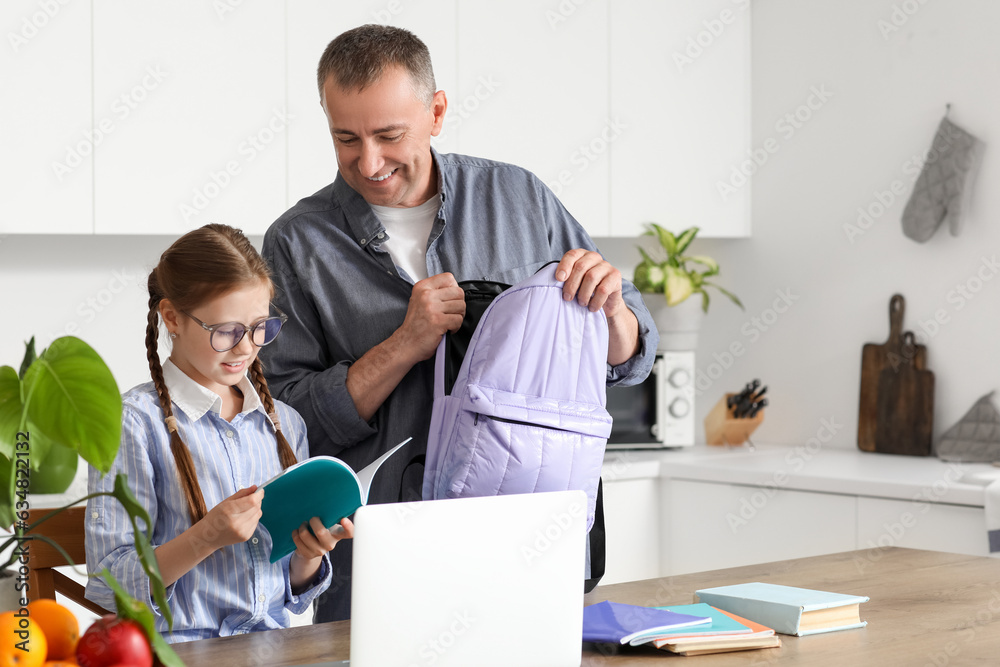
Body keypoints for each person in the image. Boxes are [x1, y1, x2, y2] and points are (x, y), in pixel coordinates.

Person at [261, 24, 657, 622]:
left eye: (389, 135)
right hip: (378, 562)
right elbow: (287, 425)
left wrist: (613, 312)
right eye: (346, 138)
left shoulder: (520, 197)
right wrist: (403, 345)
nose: (368, 162)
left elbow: (631, 356)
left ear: (437, 111)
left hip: (526, 543)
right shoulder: (297, 242)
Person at [85, 223, 353, 642]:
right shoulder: (133, 424)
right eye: (226, 331)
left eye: (260, 327)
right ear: (172, 317)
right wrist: (206, 536)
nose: (247, 347)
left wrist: (308, 555)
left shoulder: (283, 423)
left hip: (271, 648)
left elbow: (290, 593)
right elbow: (109, 586)